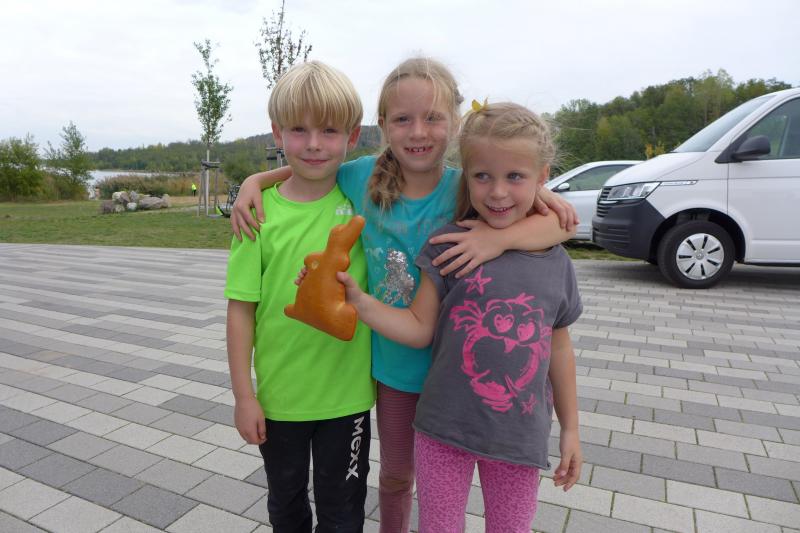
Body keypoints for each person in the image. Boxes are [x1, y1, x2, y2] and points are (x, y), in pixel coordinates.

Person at [231, 57, 578, 532]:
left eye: (432, 117)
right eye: (402, 119)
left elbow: (558, 226)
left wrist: (498, 239)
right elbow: (310, 168)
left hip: (457, 370)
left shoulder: (469, 184)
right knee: (397, 475)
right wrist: (253, 182)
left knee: (452, 482)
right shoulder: (362, 177)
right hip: (395, 364)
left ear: (454, 123)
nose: (418, 132)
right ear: (381, 126)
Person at [338, 101, 583, 532]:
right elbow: (419, 328)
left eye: (515, 177)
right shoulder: (448, 244)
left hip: (518, 438)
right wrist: (360, 302)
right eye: (482, 176)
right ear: (464, 177)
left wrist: (571, 429)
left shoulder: (555, 261)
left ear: (542, 177)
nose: (498, 192)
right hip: (441, 432)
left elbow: (558, 349)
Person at [225, 60, 374, 533]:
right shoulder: (256, 215)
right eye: (298, 129)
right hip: (279, 399)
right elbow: (240, 310)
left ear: (352, 137)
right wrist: (243, 396)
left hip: (348, 398)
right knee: (286, 506)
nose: (313, 143)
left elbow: (437, 181)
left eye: (329, 130)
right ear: (277, 132)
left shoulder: (365, 201)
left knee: (343, 513)